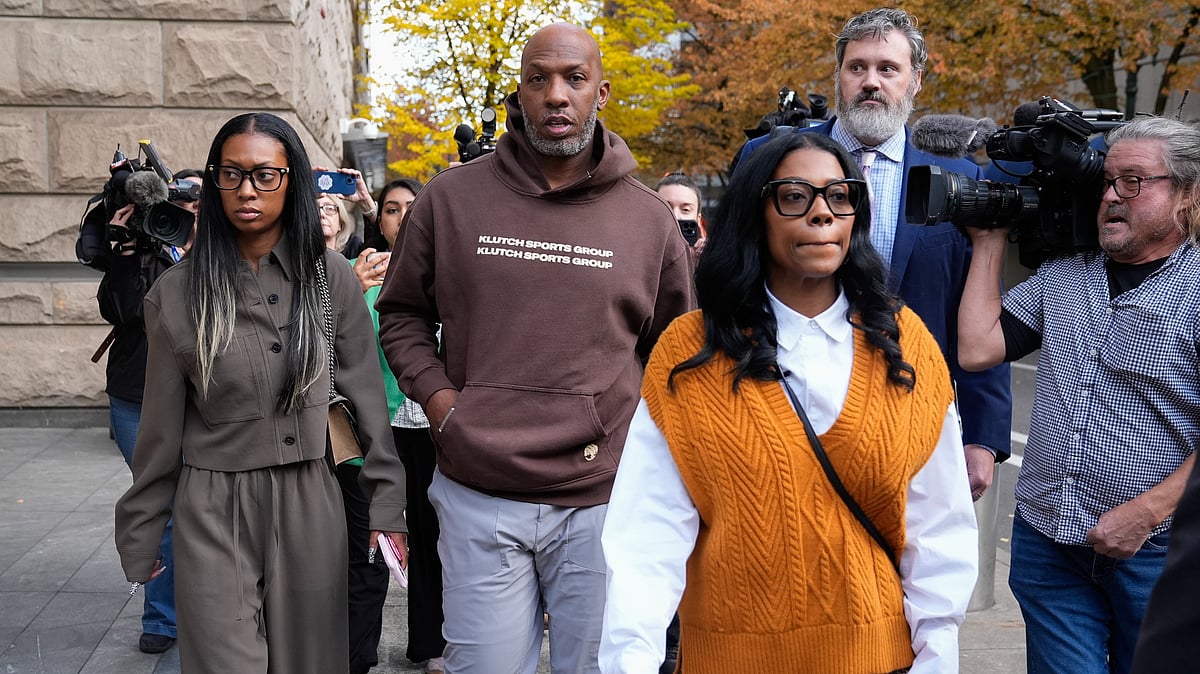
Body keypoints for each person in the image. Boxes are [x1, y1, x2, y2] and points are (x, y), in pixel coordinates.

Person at [375, 22, 695, 674]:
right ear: (517, 93)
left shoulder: (649, 220)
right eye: (538, 79)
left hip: (602, 500)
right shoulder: (449, 199)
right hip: (478, 490)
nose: (556, 95)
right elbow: (402, 314)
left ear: (601, 91)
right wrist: (441, 404)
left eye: (574, 78)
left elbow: (677, 352)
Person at [600, 132, 977, 673]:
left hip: (879, 658)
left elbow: (938, 527)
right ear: (756, 215)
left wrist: (937, 658)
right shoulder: (690, 351)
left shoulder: (904, 344)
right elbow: (646, 537)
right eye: (795, 196)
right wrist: (630, 662)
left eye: (840, 196)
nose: (822, 213)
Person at [113, 112, 409, 674]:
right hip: (213, 506)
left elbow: (368, 403)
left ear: (291, 180)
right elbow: (158, 431)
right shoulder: (176, 294)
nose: (247, 190)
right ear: (215, 182)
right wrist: (142, 528)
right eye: (231, 174)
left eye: (265, 175)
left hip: (309, 499)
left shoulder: (331, 278)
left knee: (310, 662)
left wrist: (387, 504)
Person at [957, 115, 1200, 674]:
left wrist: (1146, 514)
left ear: (1186, 194)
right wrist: (990, 239)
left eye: (1133, 182)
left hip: (1159, 553)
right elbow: (977, 347)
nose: (1111, 196)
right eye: (1107, 181)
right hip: (1048, 545)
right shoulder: (1066, 276)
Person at [738, 7, 1012, 500]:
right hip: (782, 407)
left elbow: (976, 306)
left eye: (888, 68)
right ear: (838, 75)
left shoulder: (961, 178)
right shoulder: (766, 160)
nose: (871, 82)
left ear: (915, 81)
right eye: (857, 67)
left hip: (914, 415)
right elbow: (735, 280)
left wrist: (983, 434)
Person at [96, 168, 201, 655]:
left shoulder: (226, 252)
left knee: (203, 504)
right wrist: (126, 250)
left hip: (204, 399)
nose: (189, 209)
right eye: (180, 200)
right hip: (137, 394)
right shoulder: (143, 245)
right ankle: (162, 616)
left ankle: (214, 601)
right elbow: (121, 312)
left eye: (199, 201)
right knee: (161, 502)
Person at [353, 178, 448, 674]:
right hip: (379, 426)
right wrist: (353, 290)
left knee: (432, 536)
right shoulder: (360, 274)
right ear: (380, 220)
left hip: (433, 426)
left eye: (414, 206)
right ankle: (357, 651)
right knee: (374, 537)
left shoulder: (448, 267)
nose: (404, 215)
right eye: (391, 209)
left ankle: (431, 643)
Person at [655, 171, 707, 255]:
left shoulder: (705, 256)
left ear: (698, 219)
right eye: (666, 207)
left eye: (686, 210)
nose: (675, 216)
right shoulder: (639, 253)